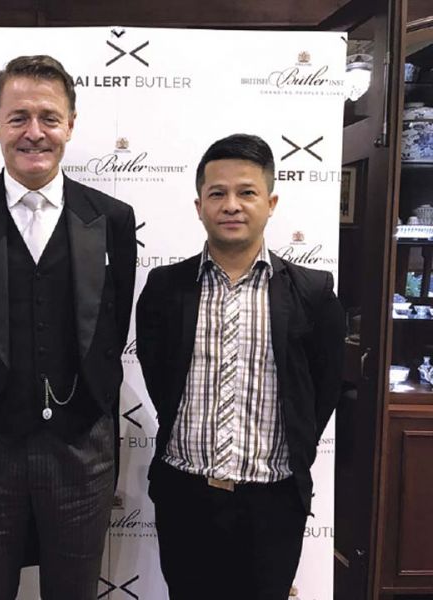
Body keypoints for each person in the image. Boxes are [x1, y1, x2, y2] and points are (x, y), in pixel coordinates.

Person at [0, 55, 136, 599]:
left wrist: (90, 400)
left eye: (49, 117)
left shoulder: (112, 217)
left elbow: (111, 328)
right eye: (18, 117)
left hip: (83, 441)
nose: (34, 132)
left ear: (71, 124)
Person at [136, 133, 345, 600]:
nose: (231, 205)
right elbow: (158, 374)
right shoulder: (166, 288)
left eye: (246, 192)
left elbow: (324, 388)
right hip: (184, 495)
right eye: (218, 193)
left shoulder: (312, 292)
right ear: (199, 206)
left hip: (272, 500)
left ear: (270, 203)